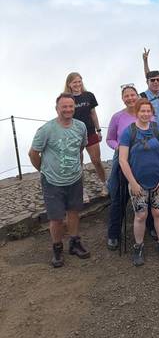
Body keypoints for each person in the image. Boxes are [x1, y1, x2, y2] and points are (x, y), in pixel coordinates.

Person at [28, 93, 89, 267]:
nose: (68, 110)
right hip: (52, 182)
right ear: (57, 109)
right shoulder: (46, 130)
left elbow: (81, 147)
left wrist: (78, 166)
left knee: (74, 212)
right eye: (64, 107)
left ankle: (75, 243)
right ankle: (57, 248)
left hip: (75, 178)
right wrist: (43, 170)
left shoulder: (81, 127)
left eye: (71, 106)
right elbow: (33, 153)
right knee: (55, 218)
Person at [118, 98, 159, 266]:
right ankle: (138, 247)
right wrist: (132, 182)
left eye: (148, 111)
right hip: (137, 182)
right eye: (143, 111)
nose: (146, 114)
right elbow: (122, 160)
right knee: (141, 215)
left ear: (152, 113)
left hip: (158, 181)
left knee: (158, 212)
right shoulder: (129, 132)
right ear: (137, 112)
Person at [104, 84, 139, 250]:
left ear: (137, 96)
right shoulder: (117, 117)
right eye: (127, 96)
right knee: (119, 198)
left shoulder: (147, 114)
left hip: (143, 160)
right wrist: (118, 146)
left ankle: (152, 228)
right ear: (122, 99)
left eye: (133, 95)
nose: (130, 98)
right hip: (122, 159)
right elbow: (109, 139)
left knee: (147, 194)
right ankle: (113, 234)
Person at [64, 72, 105, 185]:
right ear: (69, 84)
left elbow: (93, 114)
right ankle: (81, 190)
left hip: (91, 132)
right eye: (74, 82)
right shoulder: (66, 98)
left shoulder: (89, 95)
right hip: (74, 135)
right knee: (78, 164)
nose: (77, 84)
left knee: (97, 161)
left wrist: (99, 130)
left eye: (79, 81)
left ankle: (104, 184)